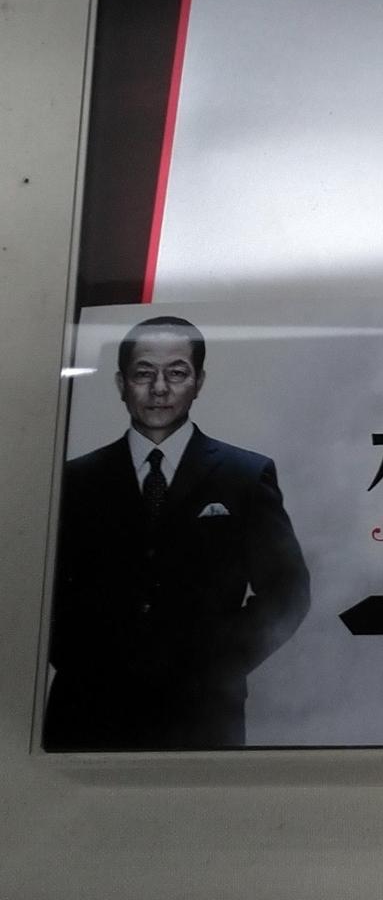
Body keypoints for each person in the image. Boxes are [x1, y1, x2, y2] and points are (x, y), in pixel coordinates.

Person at [44, 316, 310, 750]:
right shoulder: (75, 480)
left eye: (177, 373)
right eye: (143, 373)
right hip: (85, 711)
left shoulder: (244, 476)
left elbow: (289, 590)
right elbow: (41, 590)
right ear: (121, 383)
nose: (160, 388)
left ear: (199, 381)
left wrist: (219, 664)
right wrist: (82, 663)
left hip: (204, 714)